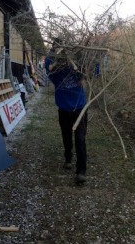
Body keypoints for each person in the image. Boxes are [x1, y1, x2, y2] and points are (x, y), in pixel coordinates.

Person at [45, 38, 88, 183]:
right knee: (66, 136)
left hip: (79, 107)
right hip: (63, 108)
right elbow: (49, 69)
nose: (61, 51)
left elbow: (91, 70)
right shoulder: (53, 65)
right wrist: (57, 60)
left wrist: (85, 64)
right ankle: (68, 158)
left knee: (80, 139)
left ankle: (81, 171)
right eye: (57, 48)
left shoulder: (76, 63)